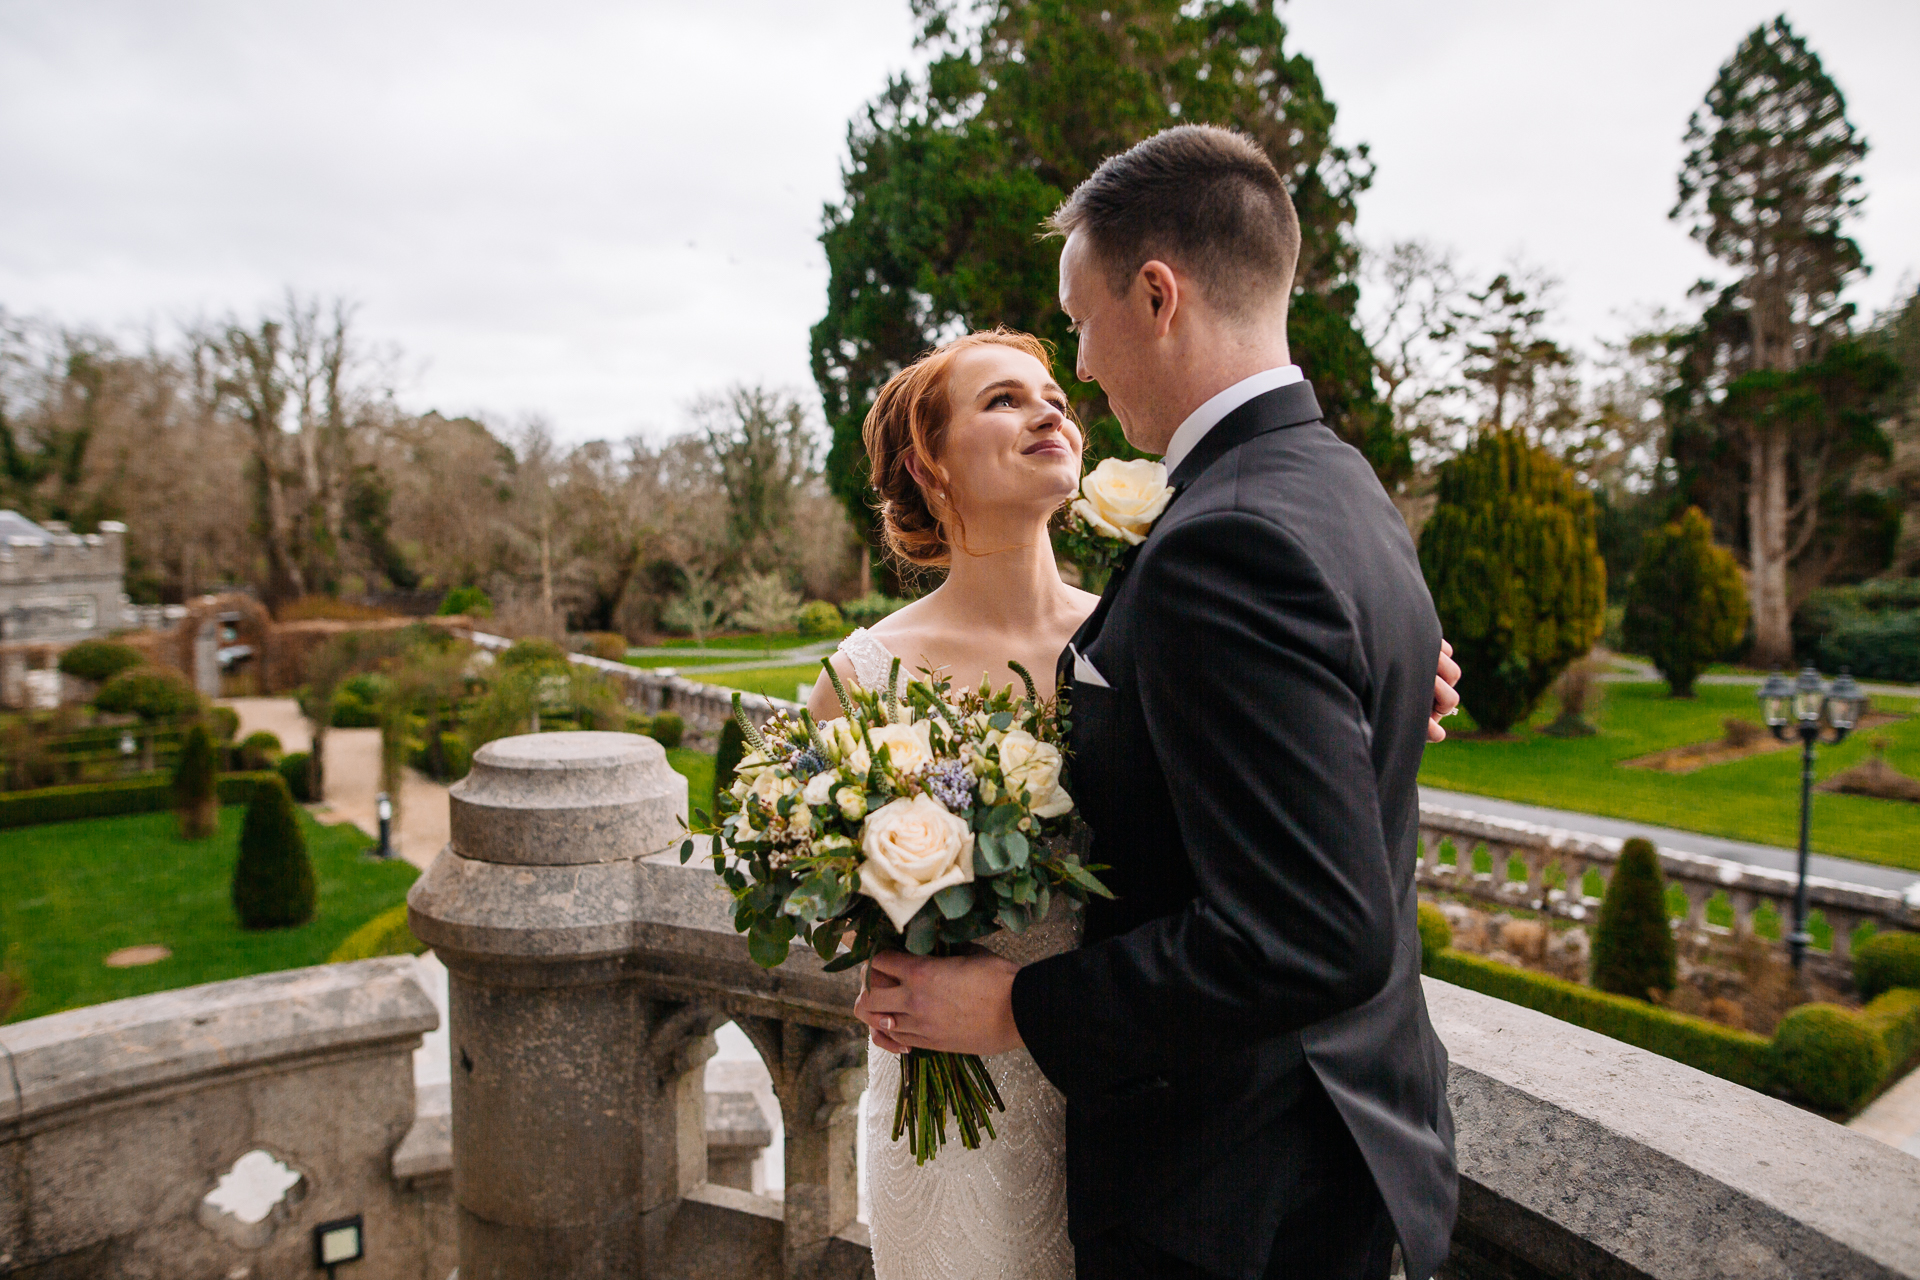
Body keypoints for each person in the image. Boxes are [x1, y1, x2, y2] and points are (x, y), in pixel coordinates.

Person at [823, 123, 1460, 1280]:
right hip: (1228, 1142)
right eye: (1009, 392)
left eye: (1078, 327)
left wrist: (1020, 1007)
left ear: (1156, 295)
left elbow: (1312, 927)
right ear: (929, 466)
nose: (1082, 374)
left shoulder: (1222, 542)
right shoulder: (1338, 486)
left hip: (1225, 1174)